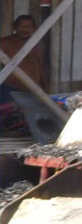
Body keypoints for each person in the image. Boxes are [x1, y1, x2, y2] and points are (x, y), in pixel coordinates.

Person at [1, 14, 61, 143]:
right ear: (15, 27)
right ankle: (44, 143)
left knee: (47, 114)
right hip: (11, 89)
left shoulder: (35, 44)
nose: (24, 29)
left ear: (34, 28)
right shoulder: (4, 43)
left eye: (28, 26)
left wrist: (44, 85)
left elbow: (39, 65)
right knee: (32, 113)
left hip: (34, 90)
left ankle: (52, 142)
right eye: (21, 26)